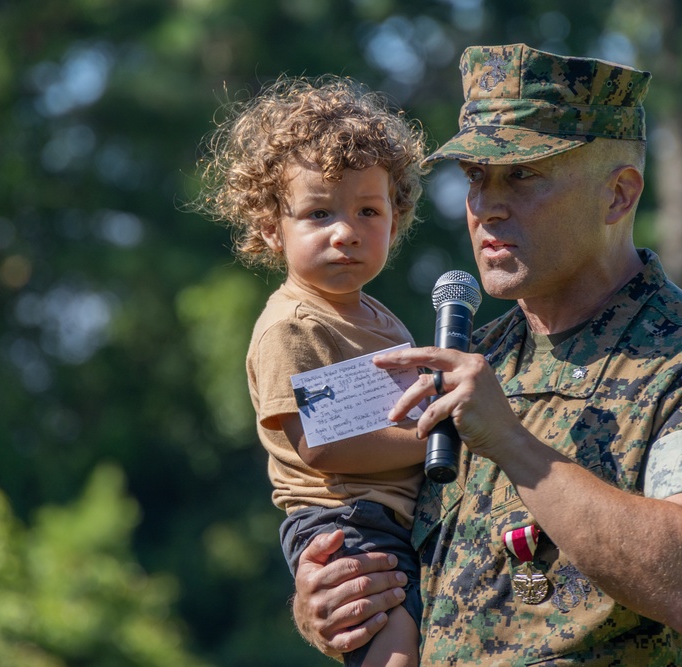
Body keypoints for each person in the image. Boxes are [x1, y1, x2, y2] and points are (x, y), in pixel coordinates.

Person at [289, 44, 682, 665]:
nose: (486, 206)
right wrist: (335, 603)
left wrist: (512, 443)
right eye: (476, 177)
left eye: (523, 175)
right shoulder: (471, 359)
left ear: (619, 195)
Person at [197, 74, 429, 667]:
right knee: (395, 644)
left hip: (393, 515)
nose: (345, 231)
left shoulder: (381, 317)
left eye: (368, 210)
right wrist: (437, 437)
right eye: (318, 212)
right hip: (346, 521)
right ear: (272, 227)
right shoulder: (292, 327)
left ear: (395, 223)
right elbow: (325, 446)